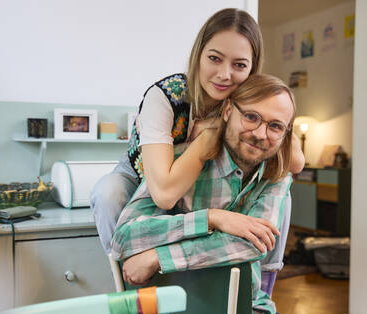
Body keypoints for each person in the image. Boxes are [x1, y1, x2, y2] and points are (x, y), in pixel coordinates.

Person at [90, 7, 304, 287]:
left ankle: (260, 290)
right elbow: (164, 195)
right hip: (148, 175)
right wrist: (207, 140)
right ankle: (129, 282)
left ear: (252, 69)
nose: (225, 75)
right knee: (109, 192)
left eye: (239, 65)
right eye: (214, 58)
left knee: (281, 194)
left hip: (202, 178)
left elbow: (294, 161)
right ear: (198, 55)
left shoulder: (249, 101)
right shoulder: (166, 97)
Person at [111, 74, 297, 314]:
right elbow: (125, 237)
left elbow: (254, 244)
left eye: (275, 126)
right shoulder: (182, 163)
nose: (260, 134)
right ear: (229, 110)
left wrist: (160, 256)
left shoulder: (277, 174)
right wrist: (212, 218)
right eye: (251, 117)